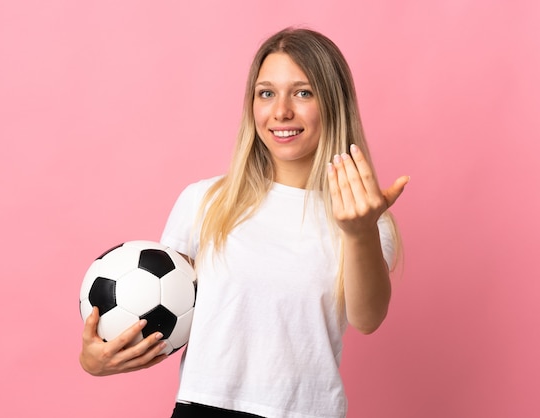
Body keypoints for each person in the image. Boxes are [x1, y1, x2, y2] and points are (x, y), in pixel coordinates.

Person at [80, 27, 409, 418]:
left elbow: (367, 318)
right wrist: (94, 360)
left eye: (303, 92)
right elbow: (163, 313)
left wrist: (358, 232)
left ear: (333, 104)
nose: (280, 111)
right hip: (204, 409)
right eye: (266, 93)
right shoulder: (205, 201)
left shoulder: (365, 218)